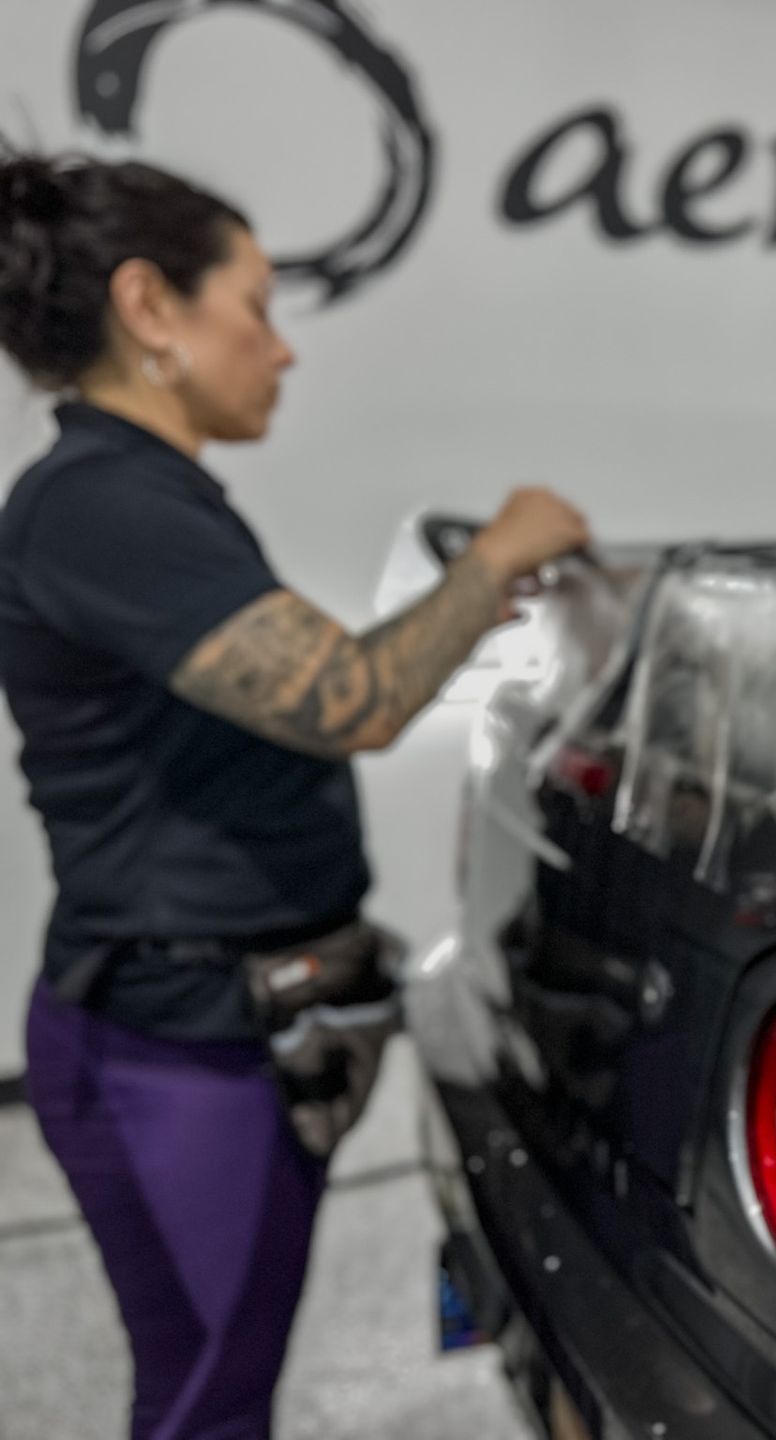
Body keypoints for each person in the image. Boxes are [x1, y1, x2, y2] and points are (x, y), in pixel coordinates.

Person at [0, 150, 589, 1439]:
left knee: (228, 1377)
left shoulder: (145, 498)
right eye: (254, 308)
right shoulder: (99, 507)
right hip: (173, 1043)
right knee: (207, 1400)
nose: (281, 350)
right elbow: (351, 698)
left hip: (236, 1026)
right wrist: (497, 554)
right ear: (152, 307)